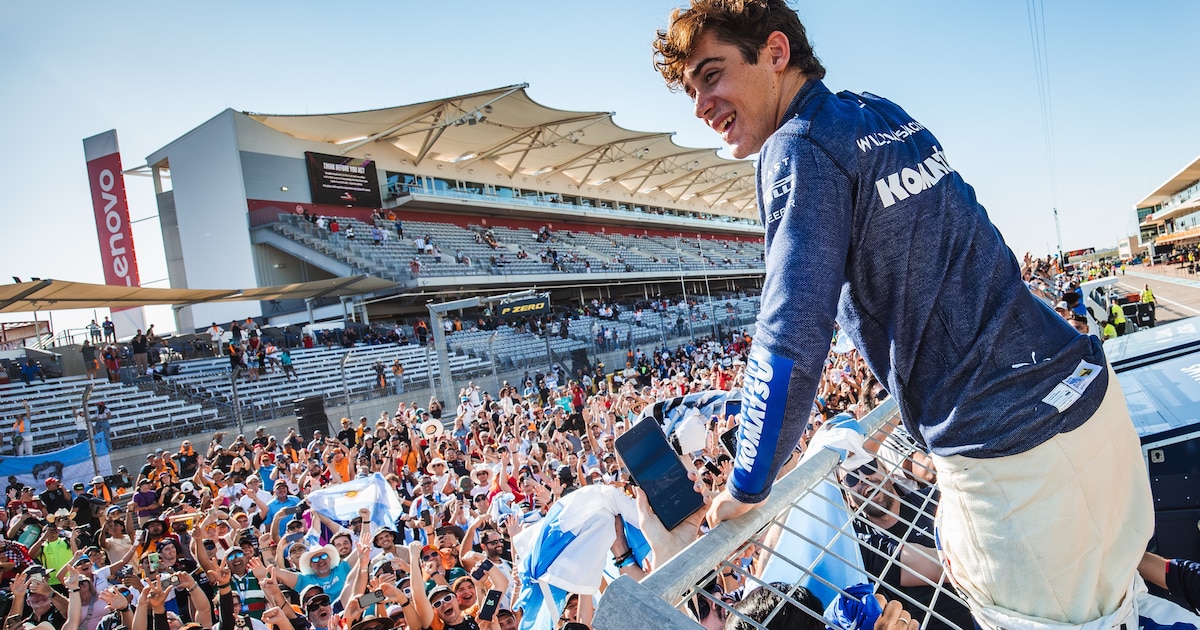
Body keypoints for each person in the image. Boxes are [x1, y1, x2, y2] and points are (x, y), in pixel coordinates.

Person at [653, 1, 1153, 627]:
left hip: (1013, 456)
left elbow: (790, 338)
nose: (700, 103)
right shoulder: (882, 113)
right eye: (692, 88)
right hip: (1089, 404)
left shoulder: (798, 146)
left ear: (776, 54)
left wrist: (747, 483)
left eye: (711, 74)